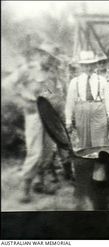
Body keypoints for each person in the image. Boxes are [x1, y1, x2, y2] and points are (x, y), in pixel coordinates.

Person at [6, 43, 70, 203]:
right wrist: (22, 101)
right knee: (35, 152)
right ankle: (25, 188)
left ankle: (40, 183)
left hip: (48, 114)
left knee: (48, 151)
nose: (48, 59)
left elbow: (53, 93)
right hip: (34, 113)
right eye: (45, 55)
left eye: (50, 57)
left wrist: (59, 112)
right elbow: (7, 84)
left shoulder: (52, 73)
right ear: (40, 55)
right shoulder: (28, 69)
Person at [65, 51, 109, 148]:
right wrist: (68, 120)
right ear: (81, 66)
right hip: (81, 112)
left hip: (99, 112)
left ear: (95, 65)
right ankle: (87, 162)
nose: (89, 68)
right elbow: (70, 102)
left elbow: (108, 100)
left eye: (91, 65)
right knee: (84, 143)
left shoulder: (102, 80)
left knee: (100, 142)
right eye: (86, 65)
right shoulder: (75, 82)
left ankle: (100, 161)